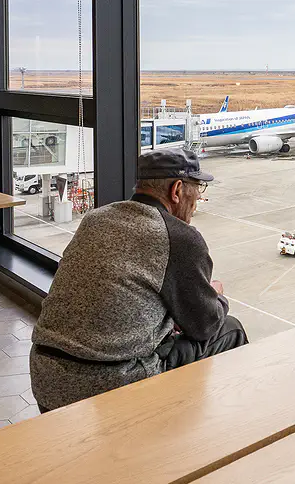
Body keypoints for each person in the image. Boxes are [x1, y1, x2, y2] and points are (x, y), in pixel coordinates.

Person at [30, 148, 248, 412]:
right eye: (197, 188)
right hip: (107, 385)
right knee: (231, 329)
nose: (198, 199)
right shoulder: (179, 238)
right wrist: (217, 297)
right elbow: (205, 326)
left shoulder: (95, 219)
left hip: (46, 376)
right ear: (177, 190)